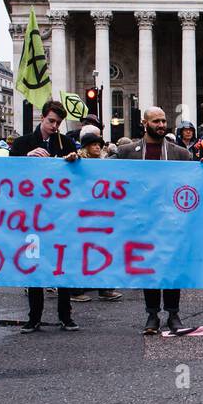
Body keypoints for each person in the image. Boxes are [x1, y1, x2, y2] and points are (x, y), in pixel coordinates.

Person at [117, 107, 196, 334]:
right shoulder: (127, 152)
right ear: (145, 123)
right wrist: (73, 160)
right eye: (156, 121)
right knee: (148, 267)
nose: (162, 125)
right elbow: (103, 173)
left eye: (164, 121)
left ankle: (173, 314)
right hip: (141, 221)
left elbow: (193, 181)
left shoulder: (181, 153)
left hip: (171, 221)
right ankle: (152, 314)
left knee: (172, 266)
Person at [11, 101, 82, 332]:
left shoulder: (67, 143)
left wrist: (74, 160)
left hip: (60, 216)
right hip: (32, 215)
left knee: (62, 266)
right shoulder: (22, 143)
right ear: (42, 118)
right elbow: (10, 175)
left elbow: (78, 177)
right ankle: (34, 317)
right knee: (34, 266)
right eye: (51, 121)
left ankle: (65, 316)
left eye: (59, 123)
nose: (54, 126)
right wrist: (27, 157)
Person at [72, 128, 122, 303]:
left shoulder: (104, 164)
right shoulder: (77, 163)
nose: (96, 147)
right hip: (81, 215)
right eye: (93, 144)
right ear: (85, 147)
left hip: (101, 214)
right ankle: (76, 289)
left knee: (103, 250)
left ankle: (105, 288)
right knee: (80, 251)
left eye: (98, 144)